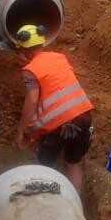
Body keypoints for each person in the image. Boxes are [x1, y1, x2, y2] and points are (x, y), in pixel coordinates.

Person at [15, 24, 94, 193]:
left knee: (42, 167)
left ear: (24, 50)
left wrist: (22, 130)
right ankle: (75, 206)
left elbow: (32, 100)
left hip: (60, 126)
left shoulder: (30, 70)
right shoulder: (59, 57)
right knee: (73, 164)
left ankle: (41, 205)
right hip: (83, 118)